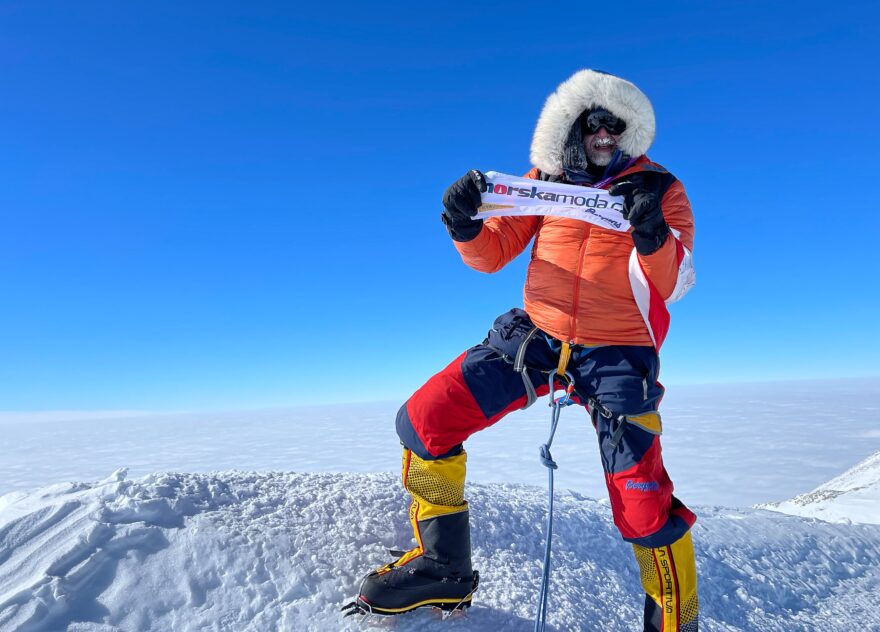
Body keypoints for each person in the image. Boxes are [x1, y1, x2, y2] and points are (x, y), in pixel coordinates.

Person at [350, 69, 699, 631]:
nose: (605, 134)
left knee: (643, 504)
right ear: (572, 127)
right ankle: (444, 569)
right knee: (425, 421)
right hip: (536, 336)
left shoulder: (659, 188)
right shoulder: (545, 183)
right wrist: (463, 224)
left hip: (618, 351)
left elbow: (674, 282)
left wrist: (652, 231)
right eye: (593, 123)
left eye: (616, 124)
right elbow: (492, 254)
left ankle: (675, 623)